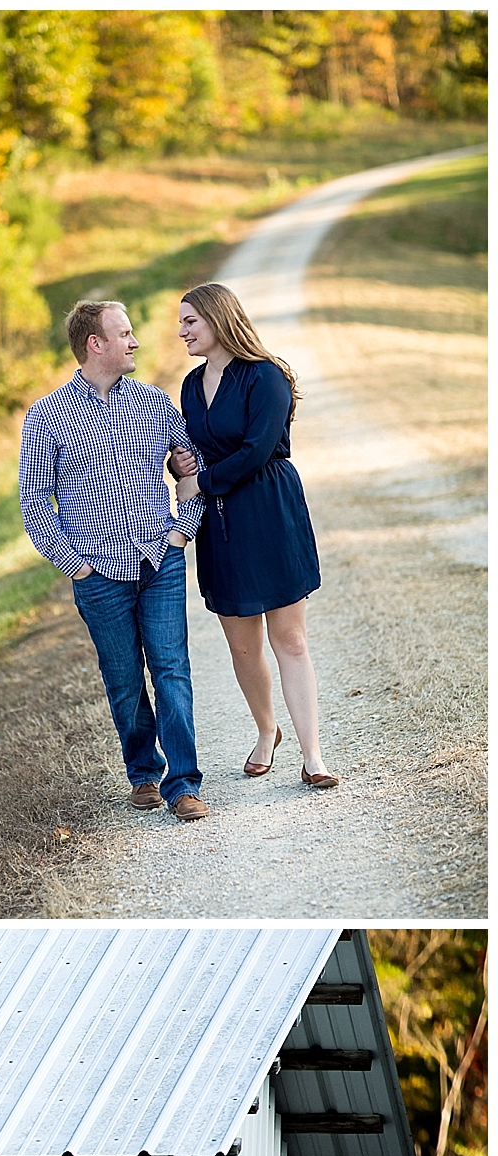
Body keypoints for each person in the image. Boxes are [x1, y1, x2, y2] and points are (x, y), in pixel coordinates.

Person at [19, 299, 210, 822]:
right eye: (124, 333)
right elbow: (35, 502)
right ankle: (143, 773)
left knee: (171, 669)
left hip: (160, 559)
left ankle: (184, 784)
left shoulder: (157, 404)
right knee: (124, 677)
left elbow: (191, 468)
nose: (136, 342)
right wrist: (74, 564)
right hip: (98, 572)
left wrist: (181, 531)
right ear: (94, 344)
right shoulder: (46, 416)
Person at [169, 283, 335, 789]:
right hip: (219, 524)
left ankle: (313, 757)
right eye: (181, 324)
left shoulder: (266, 376)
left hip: (268, 511)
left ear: (219, 320)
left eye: (190, 322)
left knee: (290, 638)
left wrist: (200, 481)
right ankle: (268, 731)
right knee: (243, 647)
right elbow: (189, 446)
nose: (182, 332)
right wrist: (181, 463)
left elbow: (259, 449)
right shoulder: (191, 385)